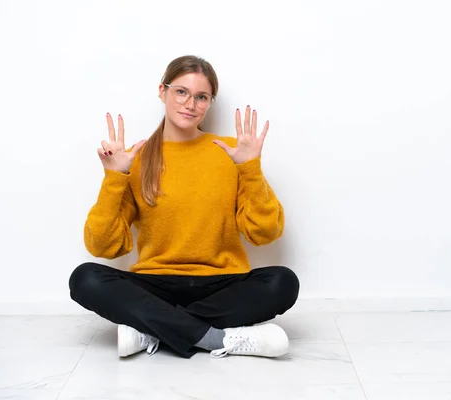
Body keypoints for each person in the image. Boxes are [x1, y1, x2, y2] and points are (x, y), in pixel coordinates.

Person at [69, 55, 300, 359]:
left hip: (222, 283)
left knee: (283, 282)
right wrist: (115, 177)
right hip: (155, 283)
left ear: (208, 103)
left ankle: (151, 329)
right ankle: (217, 339)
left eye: (201, 97)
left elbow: (266, 232)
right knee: (84, 278)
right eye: (181, 92)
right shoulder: (135, 158)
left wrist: (250, 169)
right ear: (162, 91)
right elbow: (103, 246)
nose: (190, 104)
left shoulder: (230, 152)